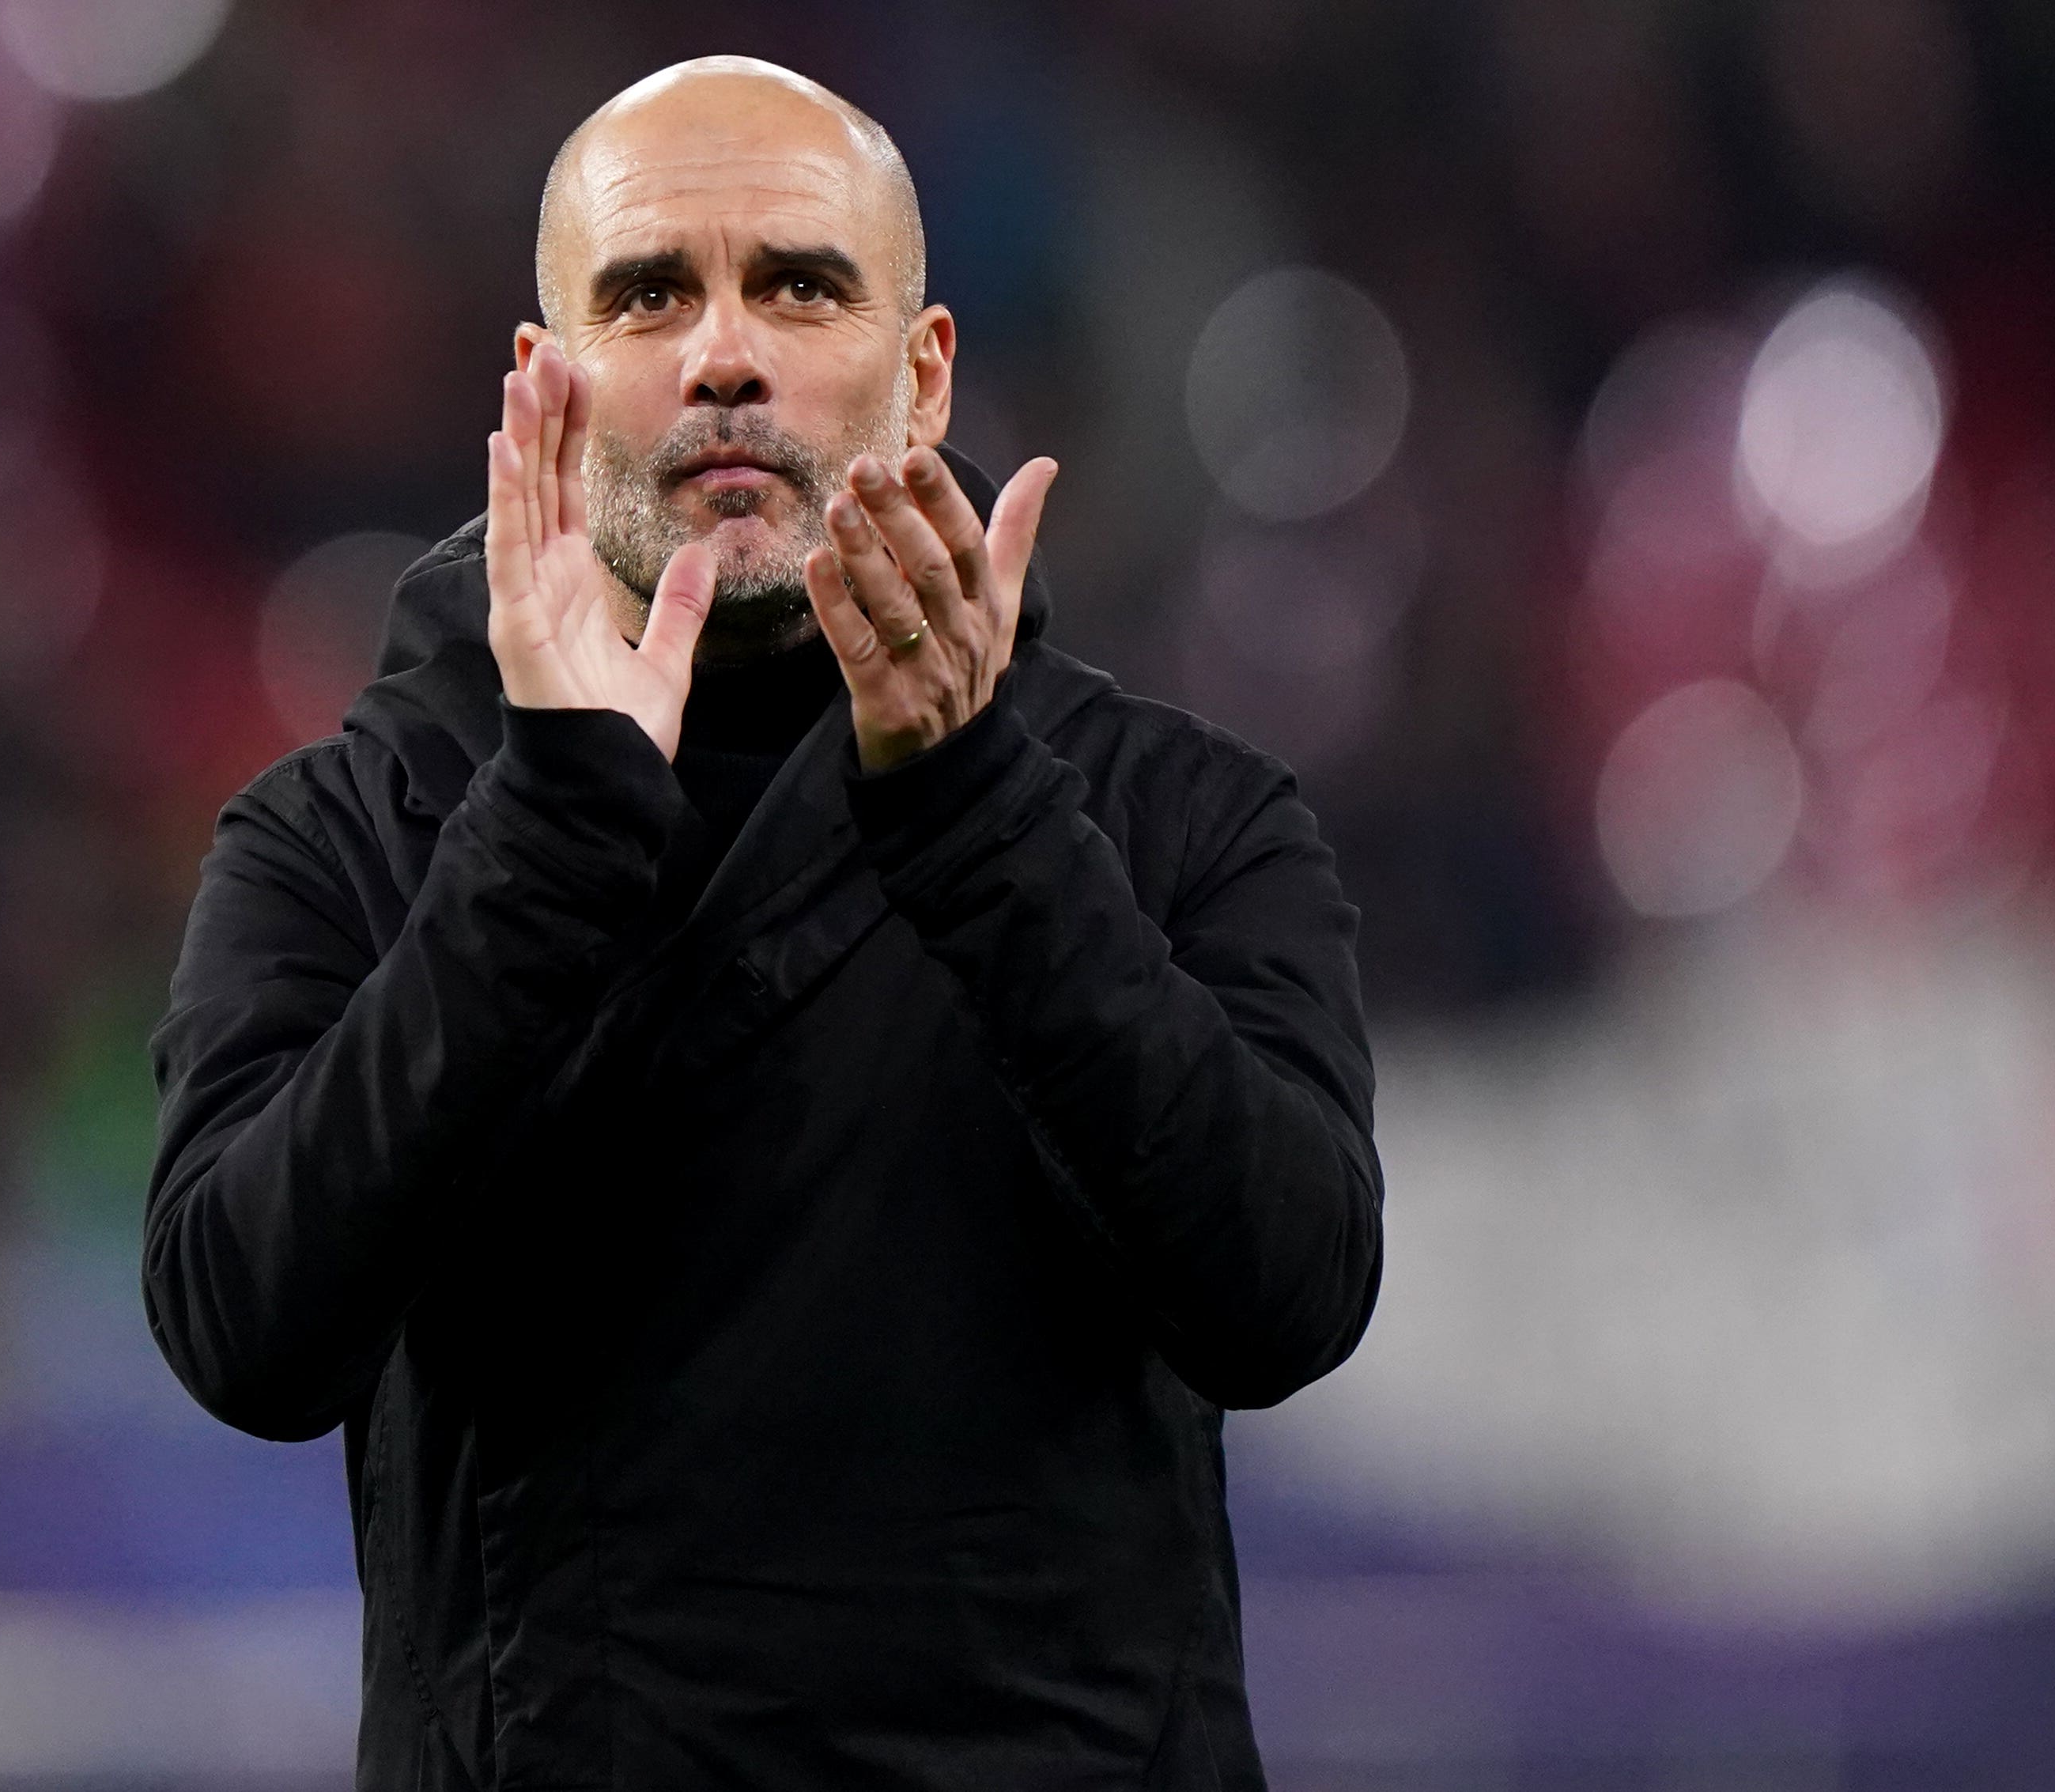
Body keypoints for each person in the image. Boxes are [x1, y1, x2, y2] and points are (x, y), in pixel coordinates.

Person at [145, 55, 1382, 1792]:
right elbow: (240, 1330)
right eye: (651, 292)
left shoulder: (1183, 819)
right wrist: (552, 830)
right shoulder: (340, 836)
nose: (724, 352)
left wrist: (972, 814)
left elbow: (1287, 1296)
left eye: (798, 284)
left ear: (924, 367)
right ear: (548, 380)